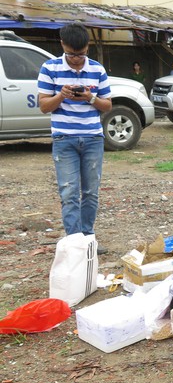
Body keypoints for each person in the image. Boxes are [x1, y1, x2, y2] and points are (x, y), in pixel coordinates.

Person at [37, 22, 113, 254]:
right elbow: (43, 106)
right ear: (62, 45)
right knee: (69, 192)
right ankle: (74, 242)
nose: (77, 59)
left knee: (90, 192)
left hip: (92, 138)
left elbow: (108, 105)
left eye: (81, 54)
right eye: (72, 54)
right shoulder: (49, 68)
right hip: (64, 138)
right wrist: (61, 95)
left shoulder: (98, 70)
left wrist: (90, 98)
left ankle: (88, 239)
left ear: (87, 47)